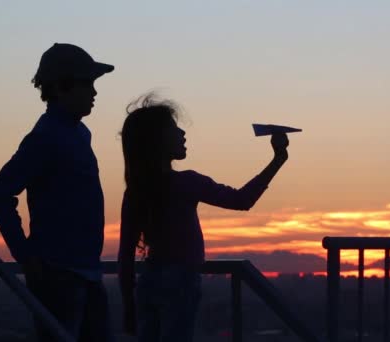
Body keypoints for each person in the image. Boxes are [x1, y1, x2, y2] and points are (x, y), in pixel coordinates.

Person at [118, 93, 290, 341]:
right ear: (158, 141)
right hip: (181, 282)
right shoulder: (187, 183)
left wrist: (128, 305)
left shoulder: (136, 191)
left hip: (149, 282)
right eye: (174, 128)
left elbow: (125, 256)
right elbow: (241, 200)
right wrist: (278, 160)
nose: (182, 134)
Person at [0, 43, 115, 342]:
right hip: (58, 274)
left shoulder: (79, 133)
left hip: (87, 270)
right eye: (87, 84)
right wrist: (25, 254)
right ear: (60, 87)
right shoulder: (46, 137)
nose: (94, 92)